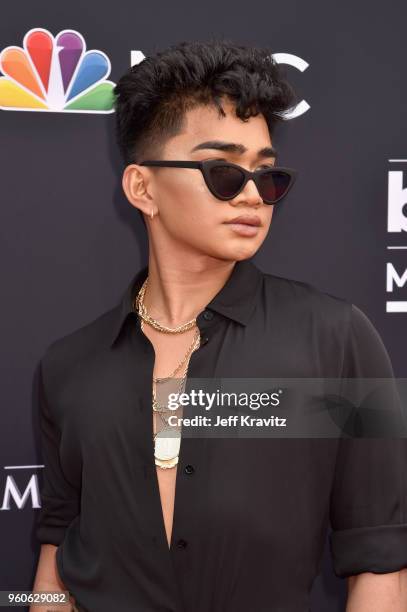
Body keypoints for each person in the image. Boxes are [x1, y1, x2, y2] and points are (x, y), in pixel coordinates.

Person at [31, 39, 407, 612]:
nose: (253, 195)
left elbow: (380, 562)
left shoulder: (338, 339)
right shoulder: (67, 366)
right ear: (142, 187)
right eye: (222, 171)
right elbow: (56, 559)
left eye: (266, 172)